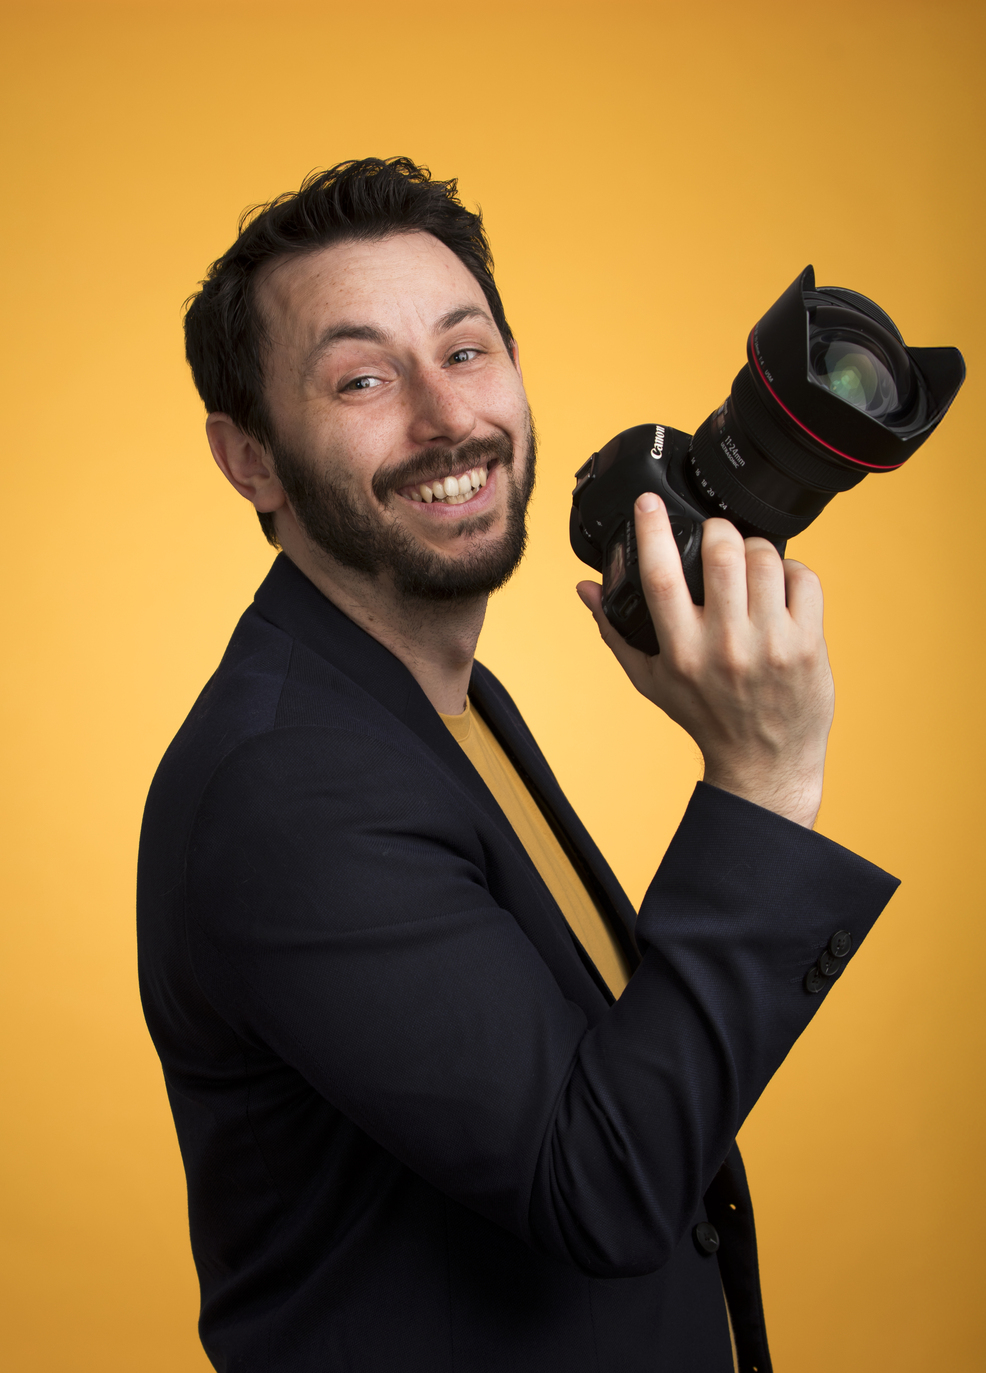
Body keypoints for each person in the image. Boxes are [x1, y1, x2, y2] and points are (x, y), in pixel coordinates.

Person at [137, 158, 898, 1373]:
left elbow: (595, 1082)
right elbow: (597, 1182)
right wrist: (762, 779)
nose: (448, 419)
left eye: (469, 350)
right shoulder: (288, 785)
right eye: (364, 378)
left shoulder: (438, 704)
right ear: (251, 459)